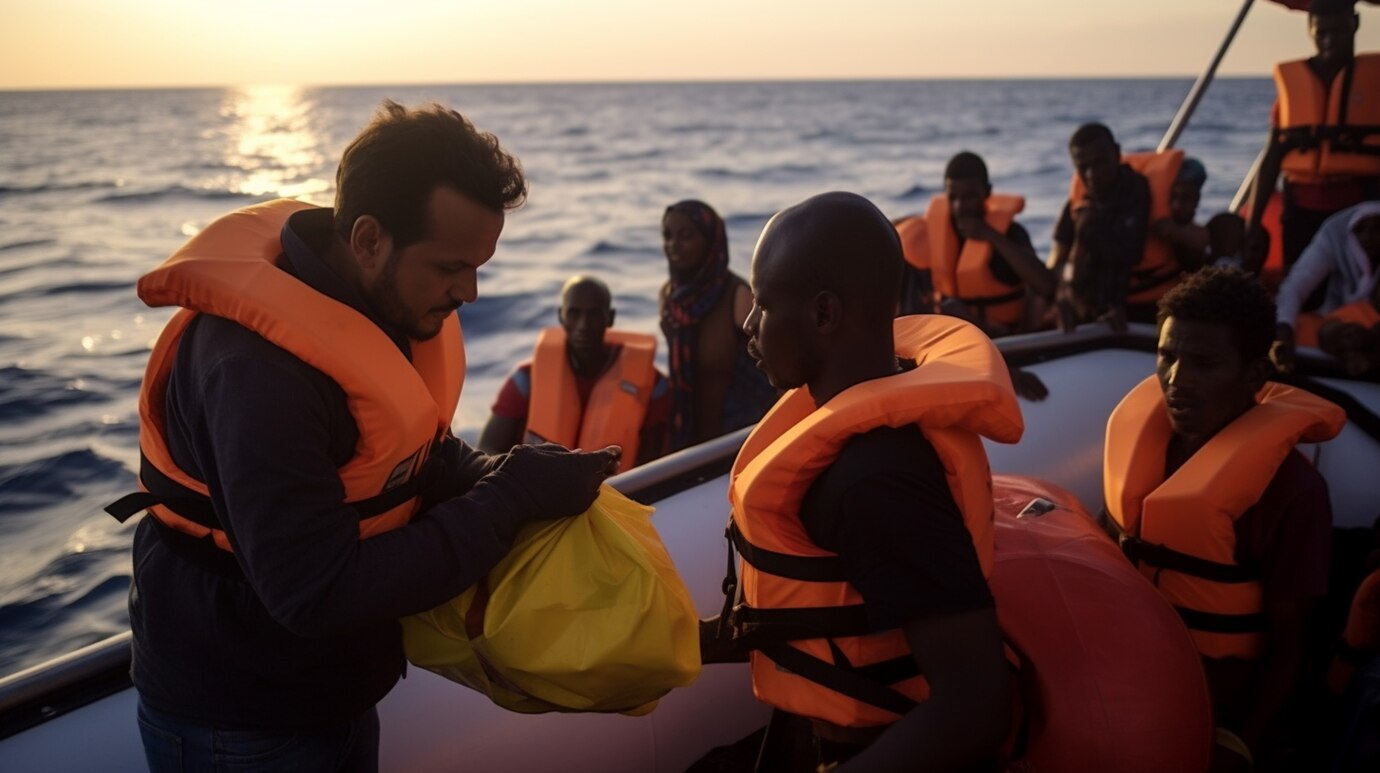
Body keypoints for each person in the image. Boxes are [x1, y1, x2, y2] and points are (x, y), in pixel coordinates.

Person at [112, 101, 621, 772]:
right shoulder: (255, 370)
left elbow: (407, 452)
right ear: (369, 239)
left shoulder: (377, 298)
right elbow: (314, 591)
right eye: (450, 267)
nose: (469, 290)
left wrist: (498, 471)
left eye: (479, 266)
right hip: (239, 722)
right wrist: (508, 499)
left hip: (333, 690)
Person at [702, 191, 1018, 771]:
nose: (747, 324)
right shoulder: (842, 440)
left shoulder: (878, 482)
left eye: (763, 306)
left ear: (824, 314)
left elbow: (975, 705)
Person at [1102, 267, 1344, 772]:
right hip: (1132, 678)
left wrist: (1242, 744)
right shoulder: (1145, 449)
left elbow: (1292, 644)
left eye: (1204, 364)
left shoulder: (1293, 493)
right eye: (1167, 357)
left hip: (1222, 706)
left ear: (1255, 376)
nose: (1176, 380)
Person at [1244, 0, 1380, 277]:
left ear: (1355, 24)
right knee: (1301, 285)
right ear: (1310, 30)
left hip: (1360, 208)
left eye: (1339, 32)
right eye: (1322, 34)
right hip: (1301, 208)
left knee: (1357, 287)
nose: (1330, 41)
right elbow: (1272, 155)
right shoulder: (1292, 87)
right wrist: (1253, 221)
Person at [478, 275, 671, 468]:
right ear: (561, 316)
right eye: (574, 313)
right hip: (538, 491)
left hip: (618, 490)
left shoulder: (652, 386)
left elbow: (660, 459)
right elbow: (488, 448)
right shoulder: (526, 380)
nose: (583, 325)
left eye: (594, 314)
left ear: (610, 318)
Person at [660, 199, 776, 451]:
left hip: (733, 440)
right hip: (685, 439)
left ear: (710, 240)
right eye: (668, 237)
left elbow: (765, 381)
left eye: (686, 236)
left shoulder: (738, 296)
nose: (673, 246)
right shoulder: (671, 300)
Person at [917, 151, 1055, 337]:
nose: (960, 206)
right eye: (953, 197)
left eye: (970, 196)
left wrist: (991, 235)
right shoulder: (934, 234)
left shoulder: (1011, 234)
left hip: (1005, 341)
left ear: (987, 192)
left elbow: (1047, 287)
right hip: (953, 339)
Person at [1048, 123, 1152, 333]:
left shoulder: (1135, 190)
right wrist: (1062, 293)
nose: (1092, 174)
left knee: (1090, 226)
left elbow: (1130, 251)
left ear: (1116, 153)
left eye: (1100, 163)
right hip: (1080, 303)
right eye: (1083, 167)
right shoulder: (1076, 204)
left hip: (1132, 306)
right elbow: (1057, 261)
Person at [1271, 201, 1380, 373]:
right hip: (1336, 324)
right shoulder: (1334, 232)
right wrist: (1284, 328)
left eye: (1377, 229)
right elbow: (1296, 285)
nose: (1370, 237)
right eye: (1362, 229)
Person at [1152, 157, 1212, 274]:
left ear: (1197, 199)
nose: (1176, 206)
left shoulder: (1200, 235)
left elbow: (1198, 242)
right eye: (1172, 197)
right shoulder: (1148, 220)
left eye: (1185, 198)